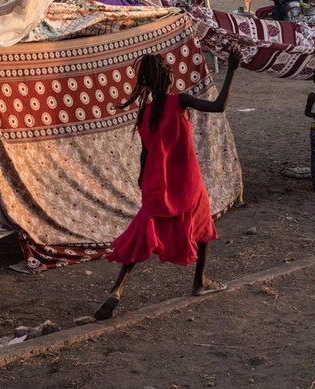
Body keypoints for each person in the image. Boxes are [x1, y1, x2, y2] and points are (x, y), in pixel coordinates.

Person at [94, 48, 241, 320]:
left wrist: (142, 178)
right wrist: (231, 69)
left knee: (141, 236)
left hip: (156, 184)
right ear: (168, 78)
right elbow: (219, 106)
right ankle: (201, 281)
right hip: (187, 180)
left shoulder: (145, 113)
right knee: (203, 225)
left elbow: (145, 152)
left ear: (147, 83)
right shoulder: (180, 101)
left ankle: (117, 289)